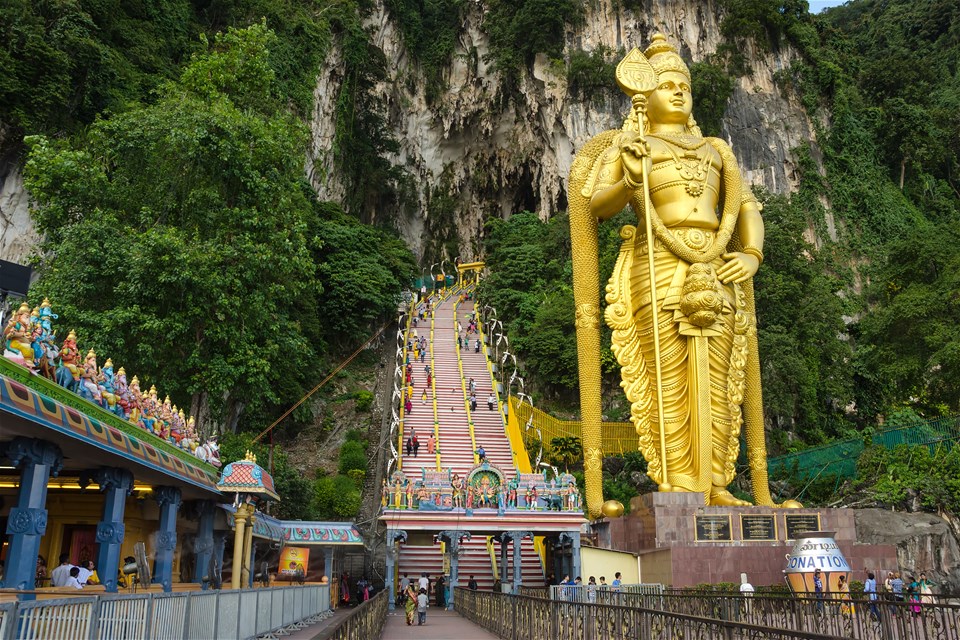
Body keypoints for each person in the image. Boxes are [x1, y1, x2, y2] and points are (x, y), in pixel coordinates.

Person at [574, 34, 771, 506]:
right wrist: (627, 176)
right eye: (667, 85)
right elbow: (595, 205)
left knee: (722, 377)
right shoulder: (632, 143)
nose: (679, 92)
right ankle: (682, 482)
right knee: (670, 377)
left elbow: (745, 206)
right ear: (647, 95)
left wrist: (751, 254)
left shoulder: (717, 149)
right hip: (657, 263)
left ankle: (718, 483)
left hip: (718, 263)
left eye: (684, 84)